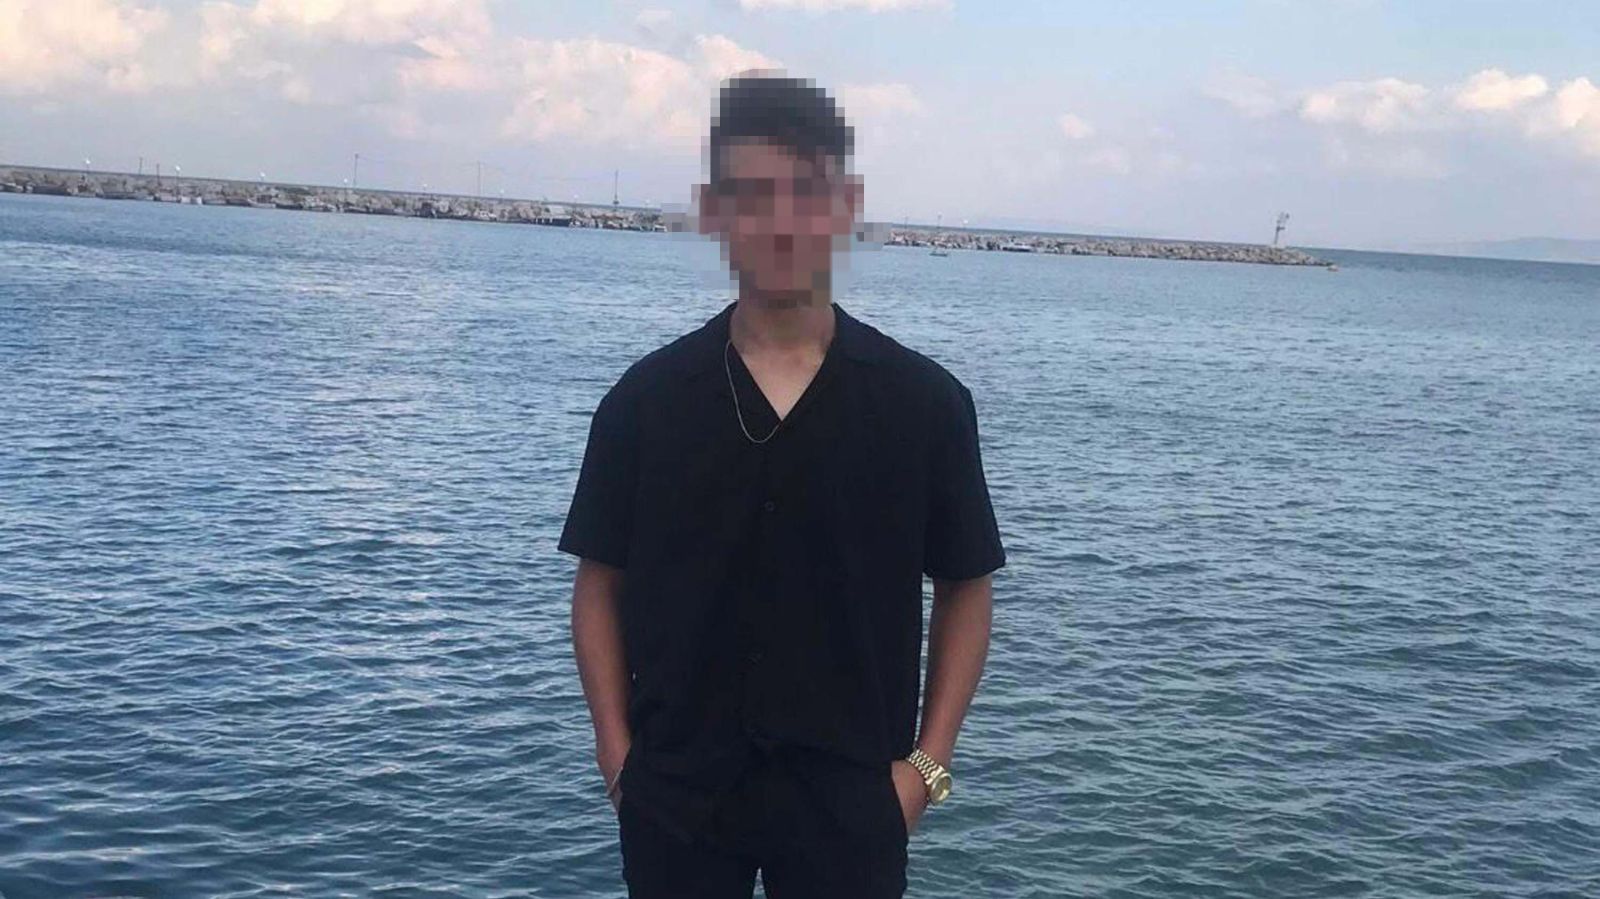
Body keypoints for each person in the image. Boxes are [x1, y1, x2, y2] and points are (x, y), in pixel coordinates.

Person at [557, 71, 1007, 898]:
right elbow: (598, 585)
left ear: (847, 205)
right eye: (753, 195)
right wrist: (616, 757)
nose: (781, 220)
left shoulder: (925, 405)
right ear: (715, 211)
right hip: (677, 800)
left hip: (853, 804)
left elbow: (967, 589)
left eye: (805, 191)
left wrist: (926, 770)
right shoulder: (645, 402)